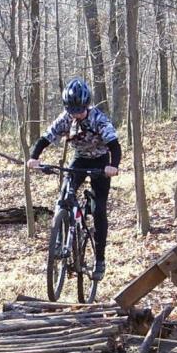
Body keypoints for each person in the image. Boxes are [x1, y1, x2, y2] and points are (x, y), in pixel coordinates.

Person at [27, 78, 121, 280]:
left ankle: (100, 260)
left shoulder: (99, 120)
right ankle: (60, 239)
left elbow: (114, 145)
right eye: (72, 110)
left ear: (87, 105)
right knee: (64, 196)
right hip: (79, 160)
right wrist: (34, 158)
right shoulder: (65, 119)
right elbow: (46, 137)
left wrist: (113, 166)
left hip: (100, 162)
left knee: (99, 210)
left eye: (79, 109)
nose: (76, 114)